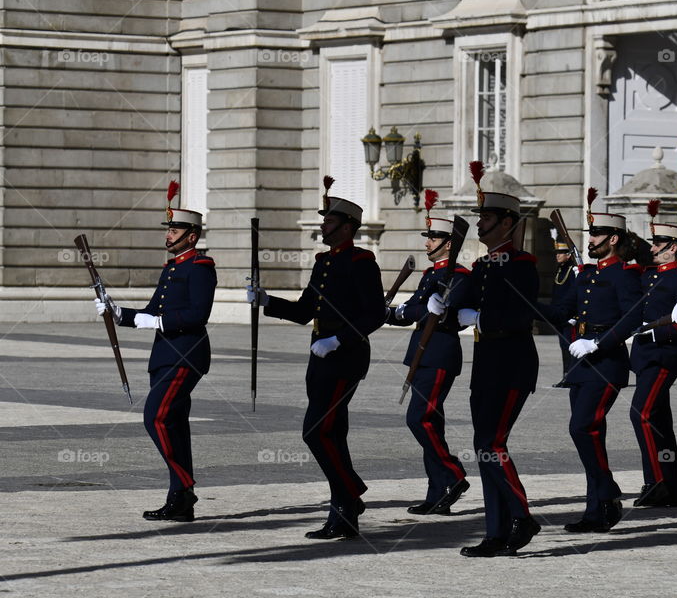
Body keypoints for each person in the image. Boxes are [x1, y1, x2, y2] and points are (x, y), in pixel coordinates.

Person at [247, 177, 385, 540]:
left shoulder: (362, 261)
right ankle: (344, 510)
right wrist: (266, 301)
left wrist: (339, 338)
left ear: (347, 226)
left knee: (315, 430)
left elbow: (375, 314)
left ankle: (349, 496)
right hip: (320, 354)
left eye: (328, 221)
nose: (322, 226)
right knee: (332, 433)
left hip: (345, 355)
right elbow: (305, 311)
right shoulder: (323, 262)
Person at [96, 181, 216, 522]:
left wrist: (157, 323)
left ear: (191, 236)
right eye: (168, 229)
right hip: (164, 356)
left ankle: (184, 485)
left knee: (156, 417)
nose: (169, 235)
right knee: (174, 423)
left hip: (186, 355)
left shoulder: (200, 268)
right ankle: (179, 501)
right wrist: (118, 313)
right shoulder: (172, 268)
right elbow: (151, 311)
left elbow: (198, 315)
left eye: (175, 229)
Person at [542, 190, 640, 532]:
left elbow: (633, 316)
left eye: (596, 235)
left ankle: (608, 492)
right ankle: (596, 510)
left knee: (582, 426)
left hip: (607, 362)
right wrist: (522, 300)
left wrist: (598, 342)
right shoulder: (585, 275)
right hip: (581, 365)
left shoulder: (624, 275)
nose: (591, 240)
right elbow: (560, 311)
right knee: (590, 434)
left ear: (613, 239)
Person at [456, 165, 540, 557]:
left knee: (492, 442)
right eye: (480, 218)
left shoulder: (521, 265)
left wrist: (480, 317)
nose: (480, 225)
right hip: (486, 365)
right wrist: (441, 299)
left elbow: (522, 316)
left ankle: (522, 517)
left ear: (507, 223)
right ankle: (495, 533)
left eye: (487, 218)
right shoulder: (484, 265)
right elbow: (459, 298)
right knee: (482, 445)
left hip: (511, 364)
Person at [386, 191, 470, 515]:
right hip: (421, 354)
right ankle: (438, 493)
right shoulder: (429, 275)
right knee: (431, 423)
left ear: (449, 243)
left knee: (418, 419)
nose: (427, 243)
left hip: (439, 356)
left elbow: (449, 311)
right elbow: (412, 310)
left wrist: (418, 310)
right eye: (428, 236)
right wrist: (389, 312)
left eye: (433, 237)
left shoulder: (459, 276)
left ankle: (454, 474)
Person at [630, 216, 677, 508]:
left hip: (664, 354)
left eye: (658, 243)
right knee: (658, 421)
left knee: (641, 414)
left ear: (673, 248)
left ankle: (656, 482)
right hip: (643, 355)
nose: (653, 248)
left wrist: (657, 332)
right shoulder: (646, 275)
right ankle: (672, 490)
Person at [548, 234, 579, 388]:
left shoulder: (573, 271)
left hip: (569, 317)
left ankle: (572, 376)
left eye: (560, 253)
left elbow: (577, 295)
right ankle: (566, 375)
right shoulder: (560, 271)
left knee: (570, 347)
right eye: (556, 253)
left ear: (568, 255)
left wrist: (574, 315)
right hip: (559, 316)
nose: (557, 256)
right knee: (563, 347)